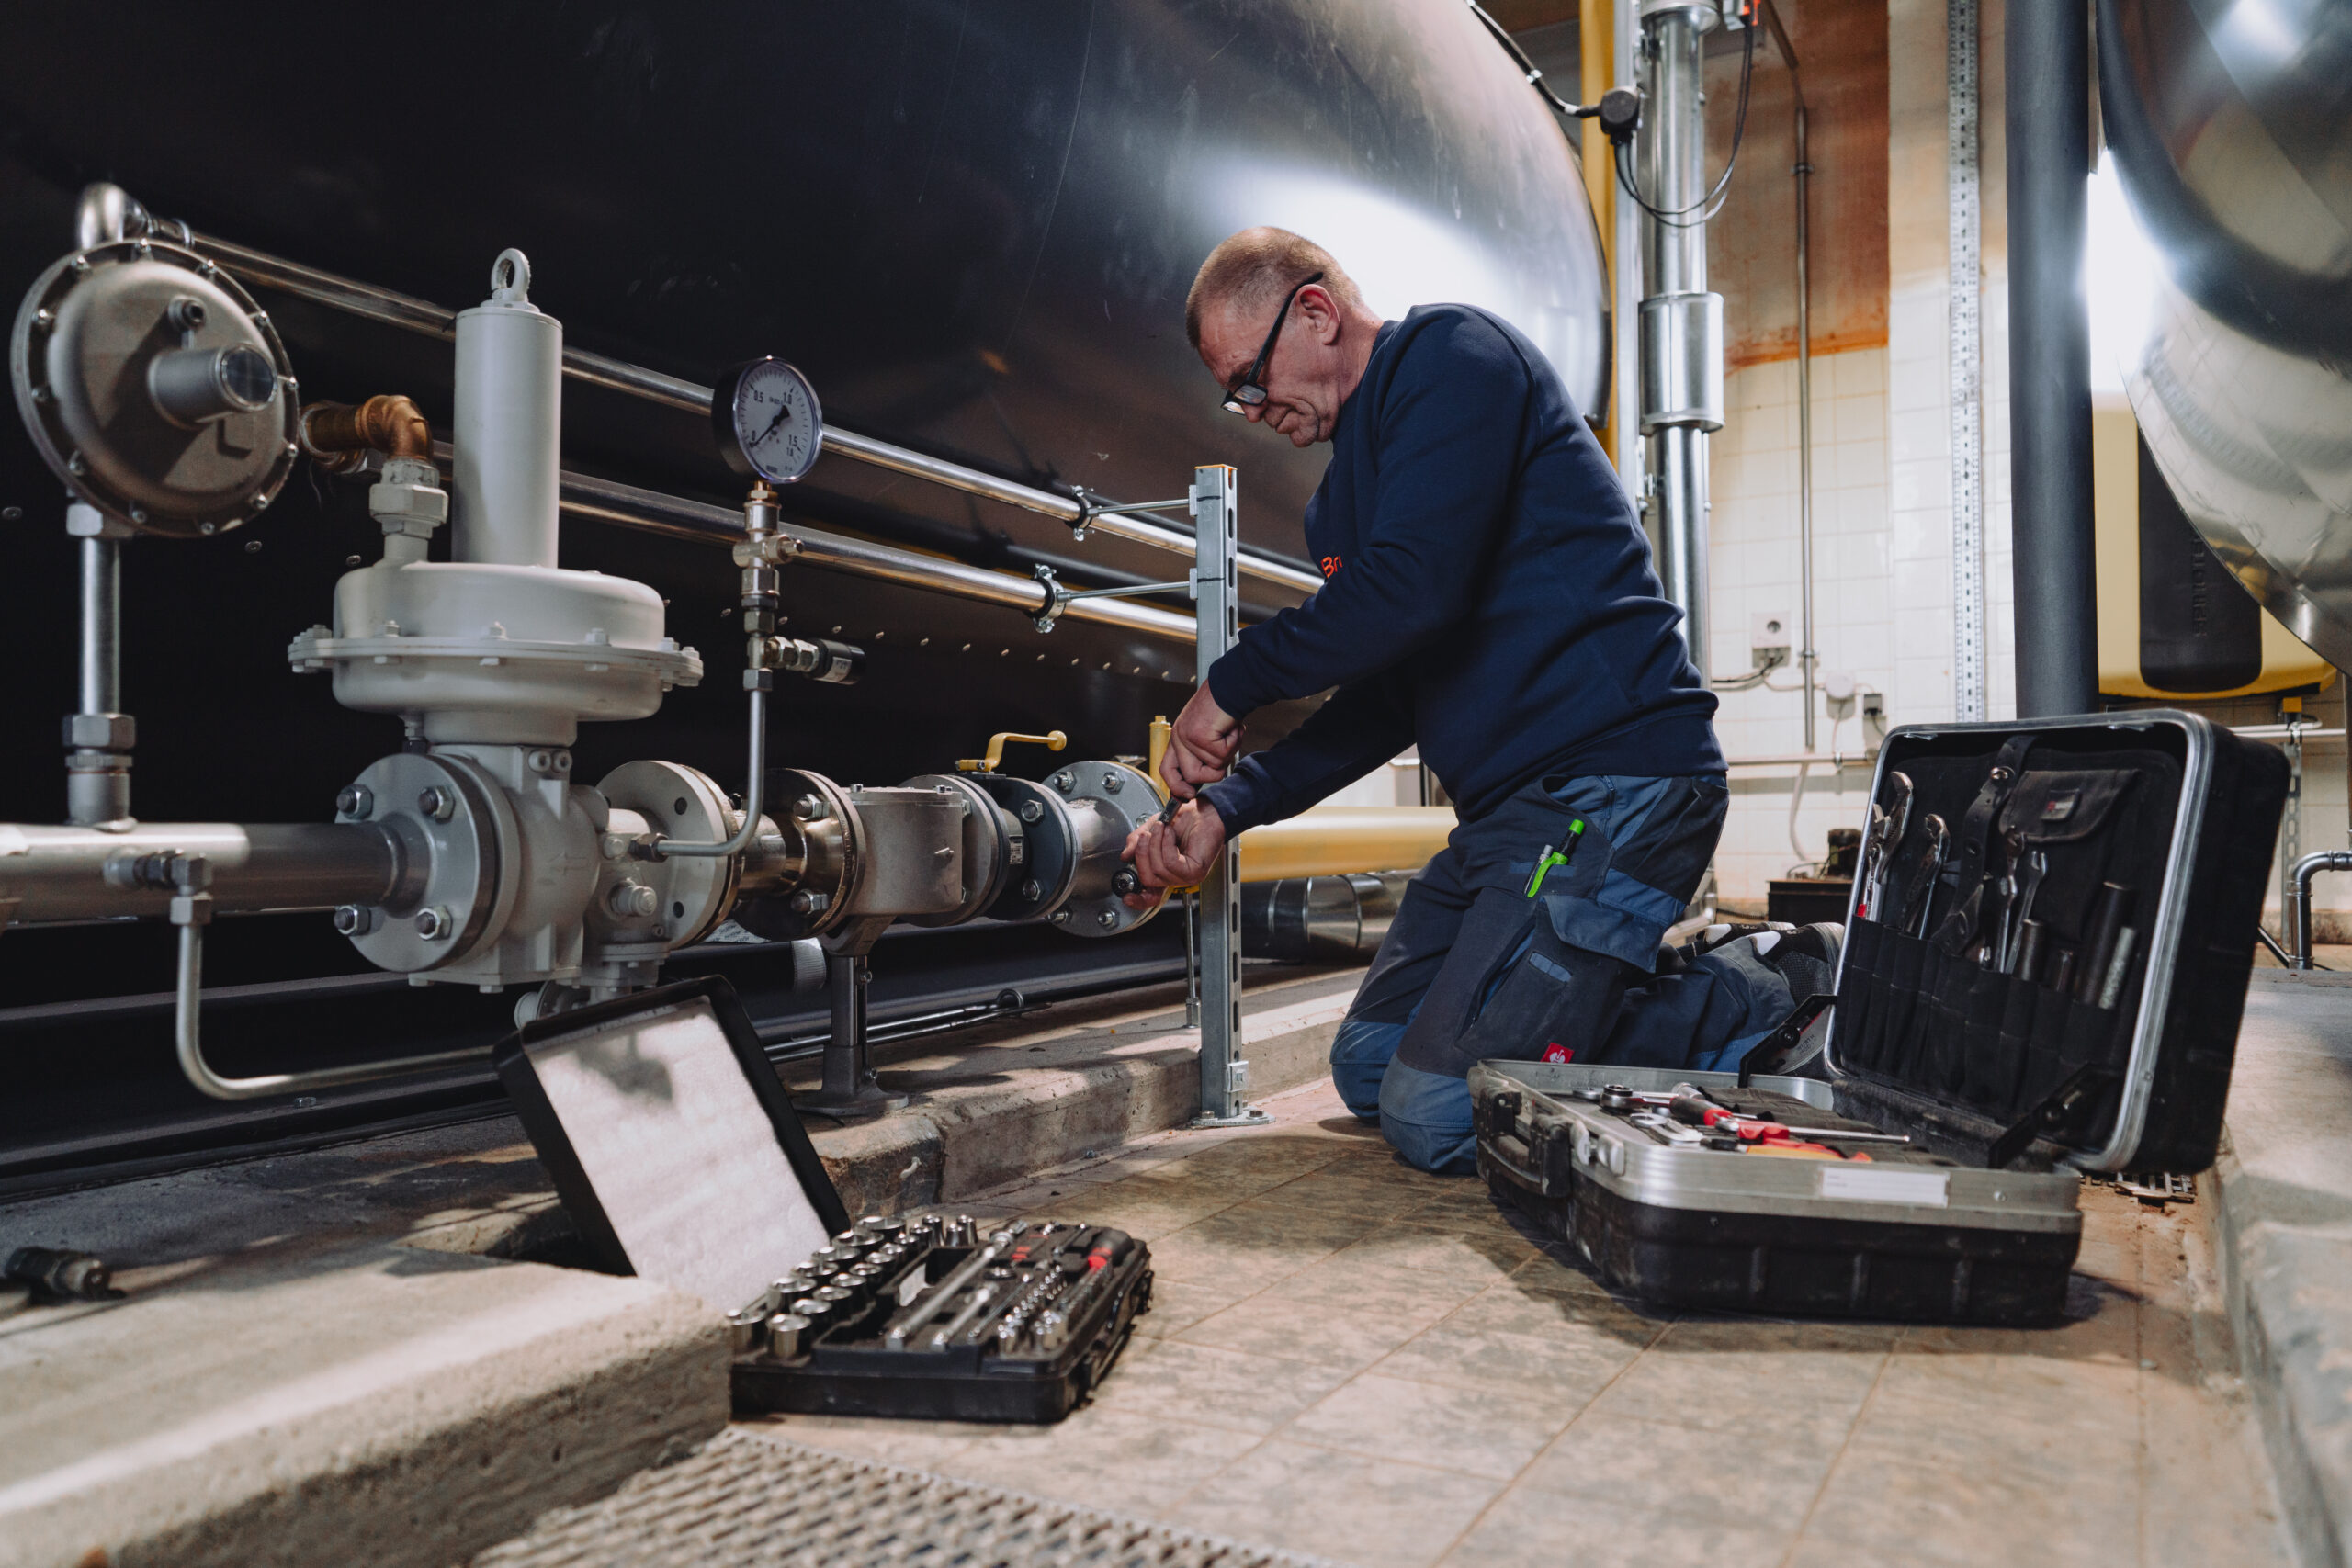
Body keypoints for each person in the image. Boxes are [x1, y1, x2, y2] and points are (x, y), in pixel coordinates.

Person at [1121, 227, 1838, 1175]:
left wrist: (1232, 683)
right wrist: (1227, 806)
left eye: (1249, 380)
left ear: (1315, 313)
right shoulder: (1338, 511)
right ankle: (1596, 1009)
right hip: (1515, 822)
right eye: (1232, 395)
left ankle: (1760, 988)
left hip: (1613, 789)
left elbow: (1412, 590)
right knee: (1372, 1069)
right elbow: (1387, 701)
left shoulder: (1452, 361)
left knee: (1438, 1118)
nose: (1248, 410)